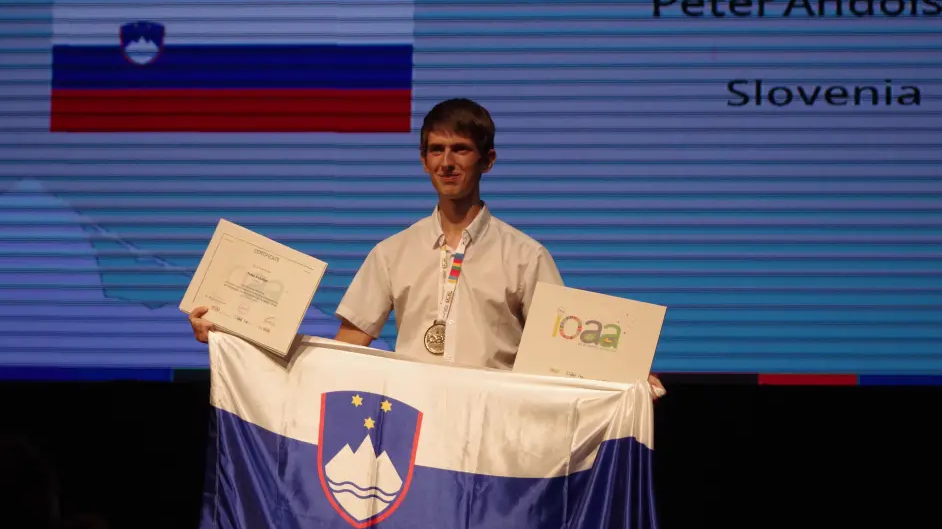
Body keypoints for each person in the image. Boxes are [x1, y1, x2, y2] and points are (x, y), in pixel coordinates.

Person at [189, 98, 662, 392]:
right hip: (411, 424)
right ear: (423, 161)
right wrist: (239, 336)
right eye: (436, 150)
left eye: (461, 150)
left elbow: (562, 349)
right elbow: (348, 347)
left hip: (494, 419)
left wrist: (624, 378)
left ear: (487, 161)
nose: (447, 163)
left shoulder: (525, 255)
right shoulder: (391, 252)